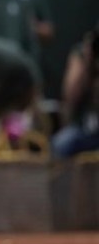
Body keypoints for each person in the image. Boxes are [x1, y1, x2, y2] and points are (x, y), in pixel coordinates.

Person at [51, 24, 99, 159]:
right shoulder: (83, 56)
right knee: (61, 143)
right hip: (85, 131)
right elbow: (70, 96)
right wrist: (87, 62)